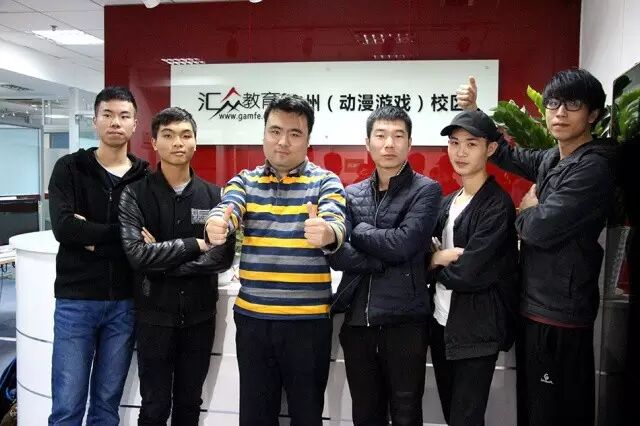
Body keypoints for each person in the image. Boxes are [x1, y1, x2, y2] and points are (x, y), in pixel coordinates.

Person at [457, 70, 616, 425]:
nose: (559, 112)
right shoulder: (553, 159)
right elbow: (507, 154)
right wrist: (475, 111)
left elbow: (539, 229)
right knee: (533, 408)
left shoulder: (593, 167)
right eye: (553, 103)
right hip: (536, 304)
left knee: (557, 411)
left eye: (572, 104)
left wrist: (527, 211)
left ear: (593, 114)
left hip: (560, 312)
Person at [204, 95, 346, 426]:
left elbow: (336, 222)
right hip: (255, 322)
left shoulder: (325, 181)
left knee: (306, 416)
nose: (283, 142)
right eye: (275, 131)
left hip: (307, 324)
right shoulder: (245, 180)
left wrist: (326, 232)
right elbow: (229, 207)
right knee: (255, 417)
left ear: (308, 139)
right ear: (264, 133)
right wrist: (217, 223)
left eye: (295, 133)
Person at [119, 107, 235, 425]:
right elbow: (137, 256)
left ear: (196, 142)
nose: (178, 143)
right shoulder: (135, 194)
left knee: (189, 403)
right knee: (154, 405)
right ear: (155, 142)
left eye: (186, 135)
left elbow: (222, 257)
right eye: (168, 136)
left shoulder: (216, 196)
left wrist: (162, 261)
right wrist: (196, 245)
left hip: (200, 317)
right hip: (153, 317)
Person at [329, 105, 441, 425]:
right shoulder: (351, 194)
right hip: (358, 324)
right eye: (381, 135)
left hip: (405, 323)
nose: (389, 143)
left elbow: (404, 244)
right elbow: (337, 254)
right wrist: (385, 256)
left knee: (406, 413)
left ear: (409, 143)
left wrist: (359, 232)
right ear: (368, 143)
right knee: (365, 414)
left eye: (398, 135)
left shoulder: (426, 190)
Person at [48, 86, 148, 425]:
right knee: (67, 405)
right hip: (76, 301)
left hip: (125, 301)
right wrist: (125, 233)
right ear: (95, 121)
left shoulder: (145, 177)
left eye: (124, 116)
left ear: (135, 124)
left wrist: (91, 235)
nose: (115, 122)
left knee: (107, 406)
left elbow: (150, 237)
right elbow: (64, 228)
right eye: (107, 114)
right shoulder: (70, 167)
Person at [428, 110, 519, 426]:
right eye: (454, 143)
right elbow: (423, 253)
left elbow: (469, 273)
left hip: (476, 331)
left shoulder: (497, 205)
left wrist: (435, 263)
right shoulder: (447, 202)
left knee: (465, 418)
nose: (460, 152)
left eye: (471, 144)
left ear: (490, 149)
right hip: (441, 323)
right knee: (451, 414)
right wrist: (436, 258)